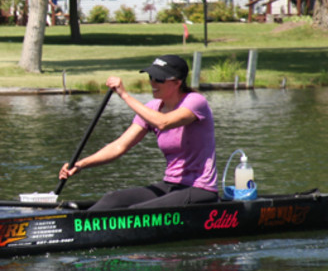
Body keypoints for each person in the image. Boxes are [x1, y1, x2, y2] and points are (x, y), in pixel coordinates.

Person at [58, 54, 218, 210]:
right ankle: (80, 229)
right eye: (151, 77)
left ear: (177, 82)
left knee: (137, 211)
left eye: (159, 79)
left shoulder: (195, 102)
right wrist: (80, 165)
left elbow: (163, 122)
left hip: (200, 189)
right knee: (113, 199)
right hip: (170, 184)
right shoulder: (152, 108)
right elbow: (119, 146)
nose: (153, 82)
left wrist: (125, 95)